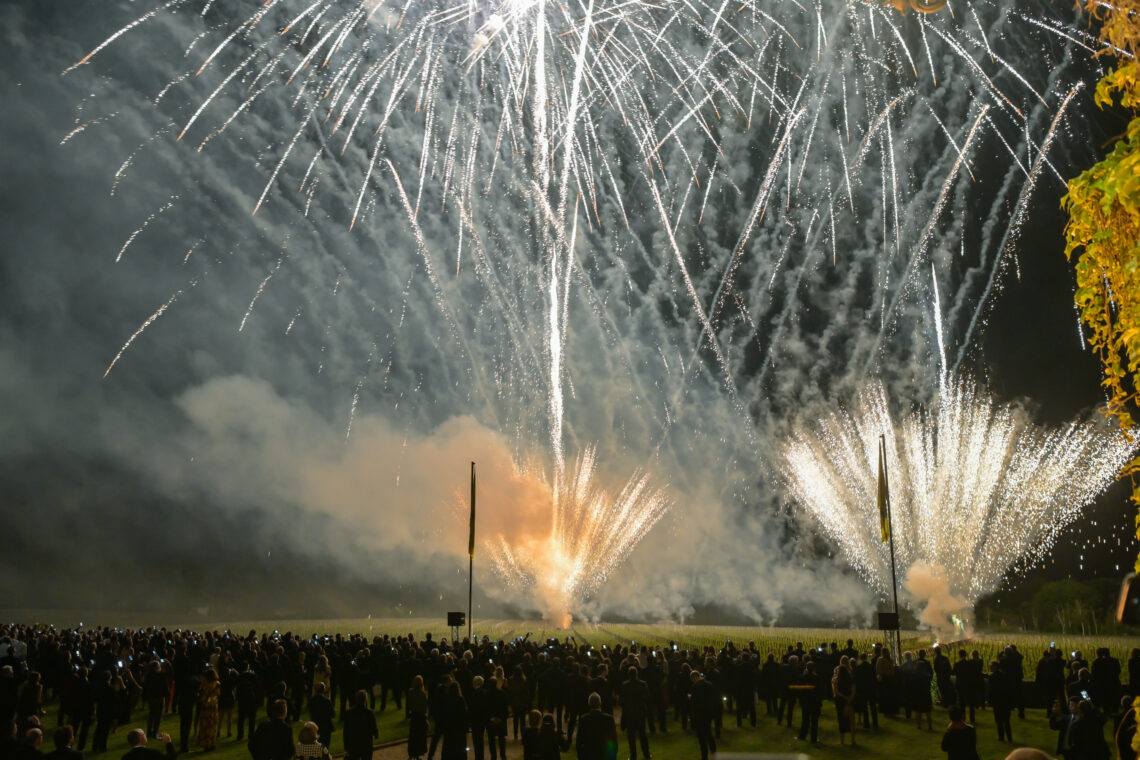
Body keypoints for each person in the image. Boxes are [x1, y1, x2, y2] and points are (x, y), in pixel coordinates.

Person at [618, 668, 649, 760]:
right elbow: (647, 698)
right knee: (643, 735)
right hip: (640, 712)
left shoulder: (624, 685)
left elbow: (621, 701)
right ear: (637, 674)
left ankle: (633, 755)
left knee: (631, 736)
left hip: (629, 713)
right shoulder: (643, 684)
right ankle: (646, 754)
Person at [573, 694, 614, 760]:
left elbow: (579, 742)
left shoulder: (584, 719)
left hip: (588, 756)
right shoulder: (609, 719)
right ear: (600, 703)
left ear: (589, 704)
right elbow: (613, 741)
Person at [689, 671, 717, 760]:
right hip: (708, 712)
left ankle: (704, 756)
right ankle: (714, 752)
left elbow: (694, 703)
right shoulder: (709, 684)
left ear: (694, 678)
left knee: (701, 737)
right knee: (709, 733)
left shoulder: (695, 687)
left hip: (699, 714)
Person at [341, 691, 377, 760]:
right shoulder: (369, 713)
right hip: (366, 743)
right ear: (365, 699)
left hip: (353, 744)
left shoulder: (349, 713)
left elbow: (346, 730)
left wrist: (346, 745)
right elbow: (374, 727)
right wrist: (375, 734)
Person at [989, 660, 1016, 743]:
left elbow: (991, 691)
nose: (990, 668)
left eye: (991, 666)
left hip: (997, 701)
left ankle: (1001, 737)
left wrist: (989, 700)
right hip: (1005, 701)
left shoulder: (992, 677)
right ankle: (1009, 737)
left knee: (999, 721)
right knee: (1006, 721)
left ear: (995, 667)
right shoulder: (1004, 676)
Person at [832, 661, 856, 746]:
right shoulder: (851, 679)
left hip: (840, 701)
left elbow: (836, 692)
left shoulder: (836, 680)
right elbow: (853, 690)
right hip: (849, 701)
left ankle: (842, 740)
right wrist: (850, 698)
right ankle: (853, 740)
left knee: (841, 721)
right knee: (851, 721)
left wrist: (844, 697)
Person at [484, 677, 508, 760]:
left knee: (491, 740)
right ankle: (503, 755)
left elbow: (486, 708)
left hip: (491, 719)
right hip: (500, 719)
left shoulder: (486, 694)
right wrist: (502, 717)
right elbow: (505, 707)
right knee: (501, 739)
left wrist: (491, 718)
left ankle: (493, 756)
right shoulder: (502, 693)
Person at [197, 670, 220, 751]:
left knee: (209, 728)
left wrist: (203, 699)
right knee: (208, 727)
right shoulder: (206, 687)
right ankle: (208, 744)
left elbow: (210, 700)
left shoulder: (214, 687)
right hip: (208, 711)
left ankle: (209, 745)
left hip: (210, 711)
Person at [406, 677, 428, 760]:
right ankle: (417, 753)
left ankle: (411, 753)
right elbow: (424, 707)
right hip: (420, 716)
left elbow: (409, 704)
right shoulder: (422, 694)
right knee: (420, 736)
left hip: (414, 716)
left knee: (413, 735)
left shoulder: (410, 692)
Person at [308, 684, 333, 752]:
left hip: (315, 726)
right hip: (326, 726)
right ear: (323, 690)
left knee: (316, 748)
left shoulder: (311, 700)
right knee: (325, 747)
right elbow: (332, 714)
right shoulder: (327, 701)